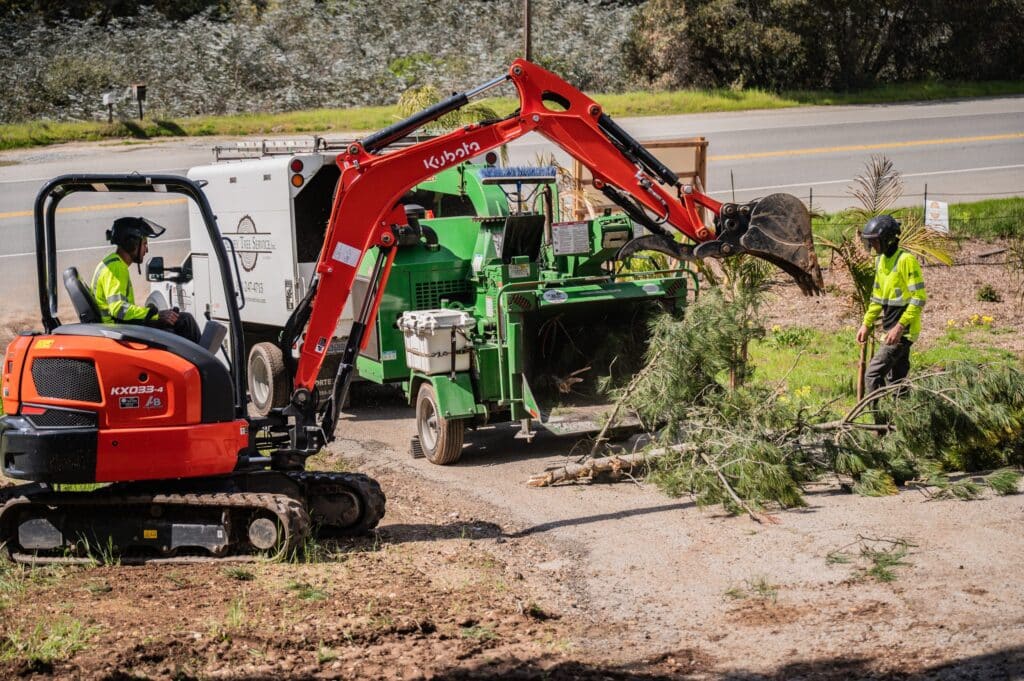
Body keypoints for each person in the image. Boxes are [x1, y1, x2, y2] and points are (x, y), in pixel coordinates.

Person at [92, 216, 201, 343]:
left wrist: (156, 317)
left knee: (181, 320)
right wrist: (155, 316)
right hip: (119, 332)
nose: (147, 250)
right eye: (144, 244)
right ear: (131, 244)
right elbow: (118, 309)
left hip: (120, 328)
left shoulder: (112, 262)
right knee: (184, 322)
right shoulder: (117, 268)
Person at [855, 214, 927, 393]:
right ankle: (902, 418)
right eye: (870, 242)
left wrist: (899, 327)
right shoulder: (880, 260)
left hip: (902, 332)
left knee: (873, 375)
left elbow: (919, 298)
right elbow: (877, 298)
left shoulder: (906, 260)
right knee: (897, 380)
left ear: (887, 239)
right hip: (890, 330)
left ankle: (879, 417)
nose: (872, 246)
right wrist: (866, 324)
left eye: (875, 242)